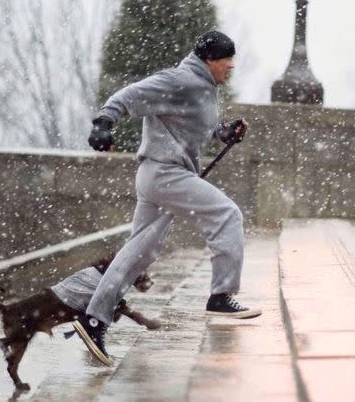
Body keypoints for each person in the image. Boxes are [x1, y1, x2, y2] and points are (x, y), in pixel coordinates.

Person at [72, 30, 262, 367]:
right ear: (209, 60)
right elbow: (130, 95)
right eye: (227, 60)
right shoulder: (180, 80)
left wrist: (224, 132)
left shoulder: (203, 87)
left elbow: (197, 126)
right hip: (165, 173)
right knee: (227, 215)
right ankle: (221, 296)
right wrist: (103, 122)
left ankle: (94, 319)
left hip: (160, 175)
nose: (231, 66)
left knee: (139, 251)